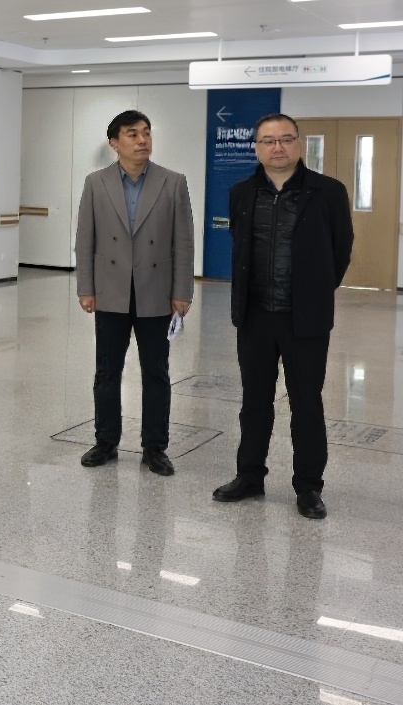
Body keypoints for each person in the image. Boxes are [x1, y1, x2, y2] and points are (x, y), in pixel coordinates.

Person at [212, 113, 353, 520]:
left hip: (304, 318)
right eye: (269, 141)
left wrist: (313, 292)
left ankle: (308, 486)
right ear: (256, 147)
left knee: (306, 403)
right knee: (254, 401)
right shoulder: (242, 193)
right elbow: (240, 243)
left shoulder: (327, 191)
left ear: (299, 144)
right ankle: (249, 476)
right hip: (255, 315)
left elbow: (340, 249)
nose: (278, 147)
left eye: (286, 139)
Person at [75, 110, 194, 476]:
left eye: (146, 133)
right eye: (132, 134)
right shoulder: (96, 183)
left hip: (156, 291)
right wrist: (86, 287)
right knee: (107, 371)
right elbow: (85, 238)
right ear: (114, 142)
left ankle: (155, 447)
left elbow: (184, 242)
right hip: (110, 290)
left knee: (156, 372)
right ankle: (106, 441)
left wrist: (182, 291)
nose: (142, 140)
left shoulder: (173, 182)